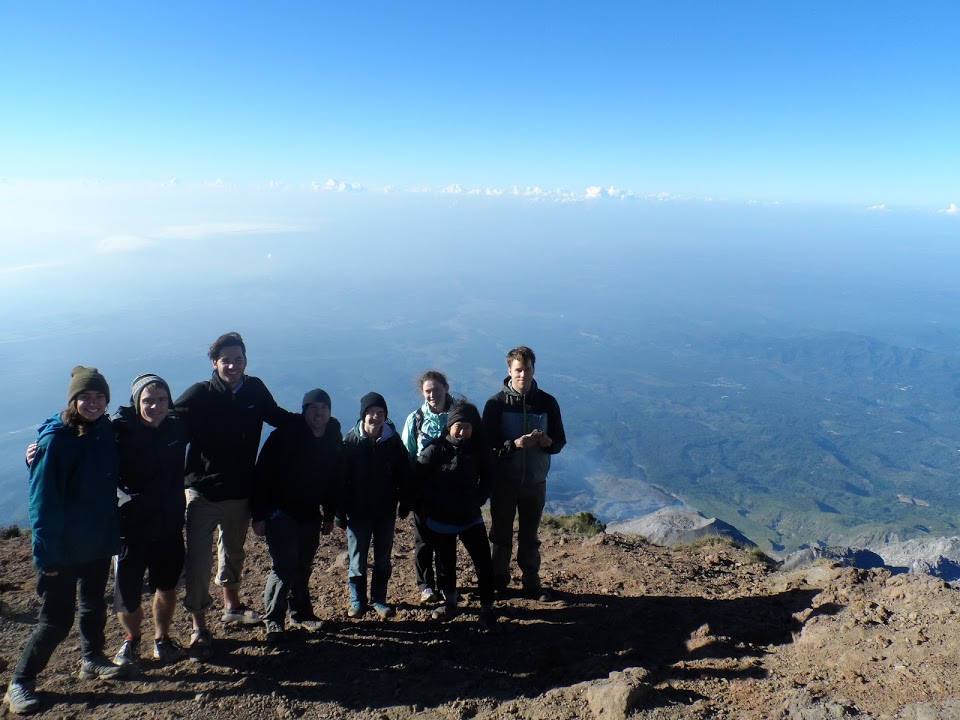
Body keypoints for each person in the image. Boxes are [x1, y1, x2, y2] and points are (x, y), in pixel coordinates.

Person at [5, 367, 126, 716]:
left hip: (97, 541)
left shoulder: (104, 429)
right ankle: (20, 683)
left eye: (99, 397)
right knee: (55, 620)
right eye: (85, 397)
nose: (93, 403)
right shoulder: (54, 441)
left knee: (93, 606)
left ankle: (92, 659)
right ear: (72, 400)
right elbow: (41, 505)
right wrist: (46, 558)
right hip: (62, 549)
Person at [174, 331, 294, 660]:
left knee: (234, 551)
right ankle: (199, 625)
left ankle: (232, 605)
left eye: (238, 359)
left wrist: (319, 424)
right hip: (202, 492)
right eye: (226, 360)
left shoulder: (254, 390)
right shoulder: (200, 394)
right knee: (198, 560)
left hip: (241, 491)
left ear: (246, 361)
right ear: (215, 363)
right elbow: (165, 420)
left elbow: (278, 417)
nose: (233, 365)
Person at [252, 389, 343, 643]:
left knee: (302, 566)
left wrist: (329, 514)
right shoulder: (284, 437)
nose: (319, 412)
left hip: (310, 514)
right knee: (284, 565)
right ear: (304, 411)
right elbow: (262, 476)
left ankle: (301, 613)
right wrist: (259, 514)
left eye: (324, 407)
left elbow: (333, 479)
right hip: (281, 513)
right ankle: (273, 619)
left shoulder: (332, 438)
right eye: (313, 407)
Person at [110, 374, 189, 669]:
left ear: (169, 402)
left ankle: (161, 639)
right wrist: (37, 453)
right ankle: (131, 640)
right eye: (147, 400)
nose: (155, 406)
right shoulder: (118, 431)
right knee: (127, 592)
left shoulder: (178, 428)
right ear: (135, 401)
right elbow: (80, 437)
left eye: (161, 400)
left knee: (166, 585)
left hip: (168, 525)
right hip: (130, 528)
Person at [482, 346, 566, 601]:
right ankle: (499, 582)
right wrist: (514, 445)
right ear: (509, 371)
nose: (522, 375)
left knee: (530, 536)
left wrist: (547, 443)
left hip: (534, 482)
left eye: (527, 369)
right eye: (518, 370)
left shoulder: (547, 402)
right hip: (504, 483)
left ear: (533, 370)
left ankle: (531, 583)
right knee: (501, 535)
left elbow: (560, 442)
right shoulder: (496, 404)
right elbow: (487, 448)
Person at [414, 400, 496, 629]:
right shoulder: (435, 449)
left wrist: (478, 499)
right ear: (449, 426)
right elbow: (419, 479)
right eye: (458, 426)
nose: (463, 431)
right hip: (441, 518)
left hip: (470, 516)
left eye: (467, 427)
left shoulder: (478, 450)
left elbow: (489, 476)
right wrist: (430, 506)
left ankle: (487, 606)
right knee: (445, 564)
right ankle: (450, 602)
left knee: (482, 562)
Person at [337, 392, 410, 619]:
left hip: (385, 511)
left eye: (380, 413)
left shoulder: (393, 442)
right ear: (363, 415)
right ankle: (357, 600)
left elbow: (404, 473)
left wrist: (405, 501)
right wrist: (339, 512)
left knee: (382, 559)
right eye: (371, 413)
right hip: (357, 512)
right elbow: (340, 480)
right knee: (357, 559)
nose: (375, 417)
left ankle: (379, 599)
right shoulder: (351, 442)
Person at [400, 370, 454, 604]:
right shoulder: (415, 419)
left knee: (446, 540)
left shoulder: (458, 415)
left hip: (450, 489)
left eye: (436, 389)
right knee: (423, 540)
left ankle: (446, 584)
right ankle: (425, 585)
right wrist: (407, 492)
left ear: (446, 388)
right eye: (428, 391)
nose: (432, 395)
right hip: (423, 490)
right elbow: (407, 456)